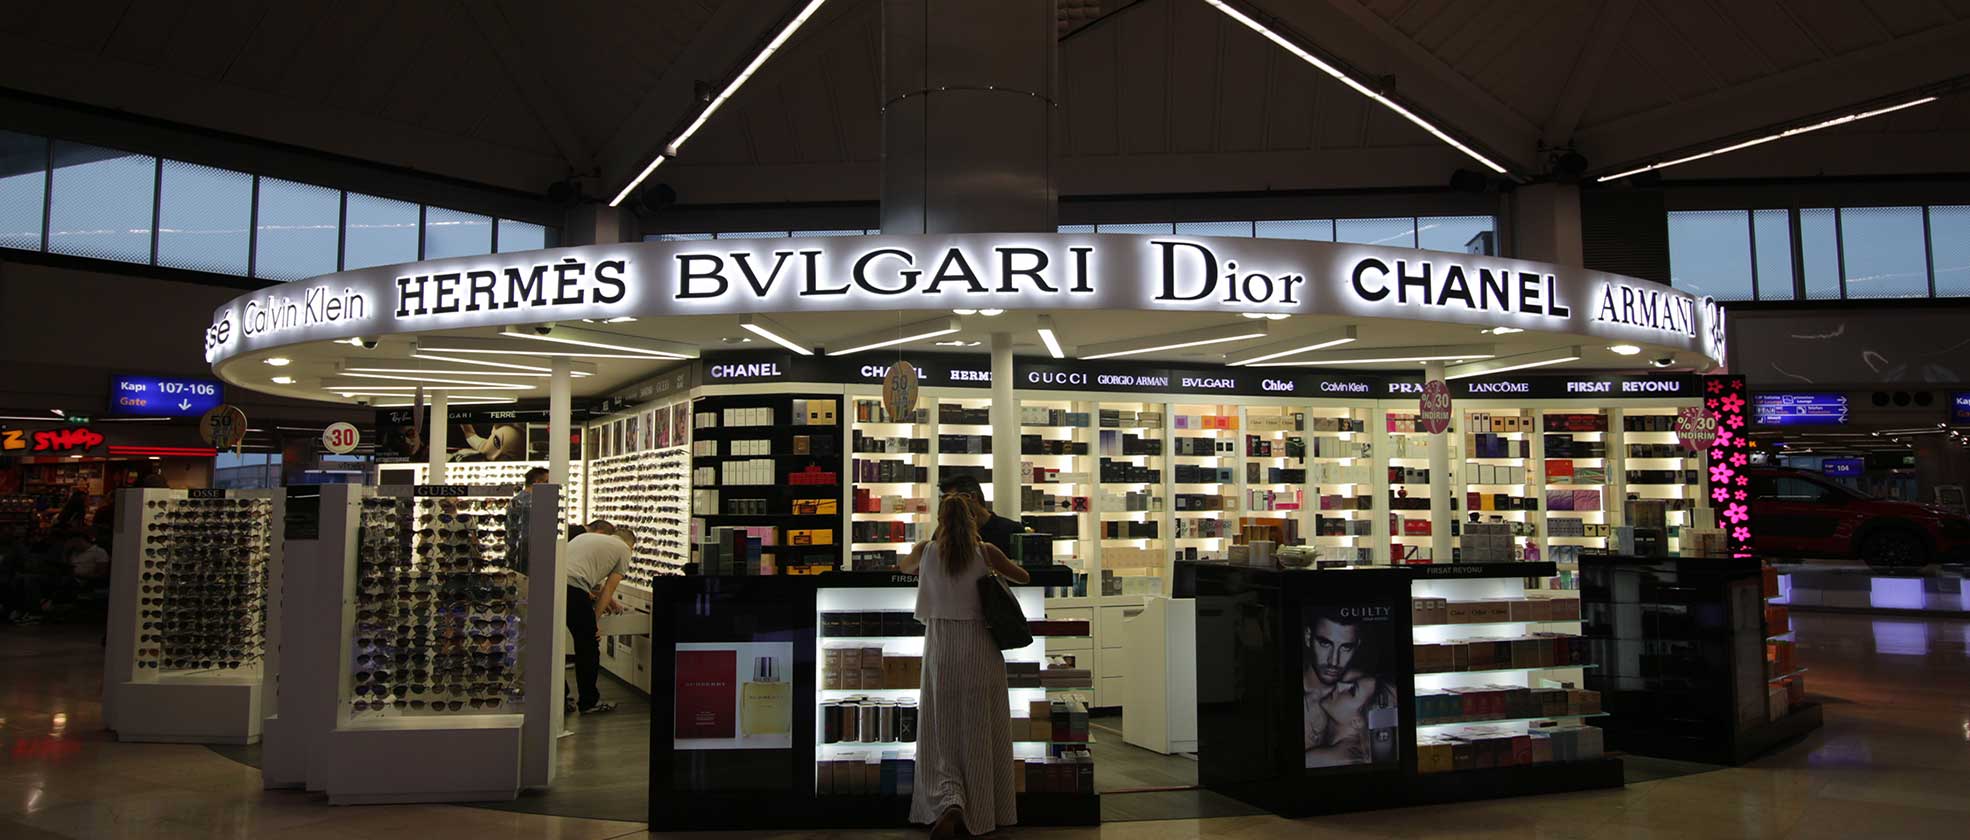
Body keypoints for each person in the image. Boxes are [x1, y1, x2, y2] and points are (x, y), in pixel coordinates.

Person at [900, 493, 1029, 839]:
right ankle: (982, 806)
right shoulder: (986, 552)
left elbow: (903, 568)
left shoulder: (926, 551)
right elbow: (1024, 577)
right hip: (979, 646)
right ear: (973, 519)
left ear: (940, 520)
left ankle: (949, 799)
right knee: (979, 726)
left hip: (941, 647)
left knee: (941, 729)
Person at [1303, 609, 1398, 768]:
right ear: (1308, 637)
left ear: (1357, 645)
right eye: (1325, 644)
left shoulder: (1370, 685)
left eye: (1346, 647)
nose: (1334, 661)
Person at [565, 526, 634, 714]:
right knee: (588, 646)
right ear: (631, 546)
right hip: (574, 590)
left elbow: (589, 575)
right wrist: (594, 620)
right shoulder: (624, 551)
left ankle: (561, 697)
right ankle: (589, 702)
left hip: (553, 583)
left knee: (552, 647)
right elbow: (609, 589)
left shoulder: (587, 537)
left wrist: (611, 603)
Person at [936, 474, 1024, 560]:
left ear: (973, 496)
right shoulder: (947, 532)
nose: (950, 506)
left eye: (955, 500)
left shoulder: (1012, 530)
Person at [505, 468, 550, 573]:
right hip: (526, 548)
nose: (549, 485)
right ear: (538, 482)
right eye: (547, 482)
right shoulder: (528, 502)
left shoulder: (519, 500)